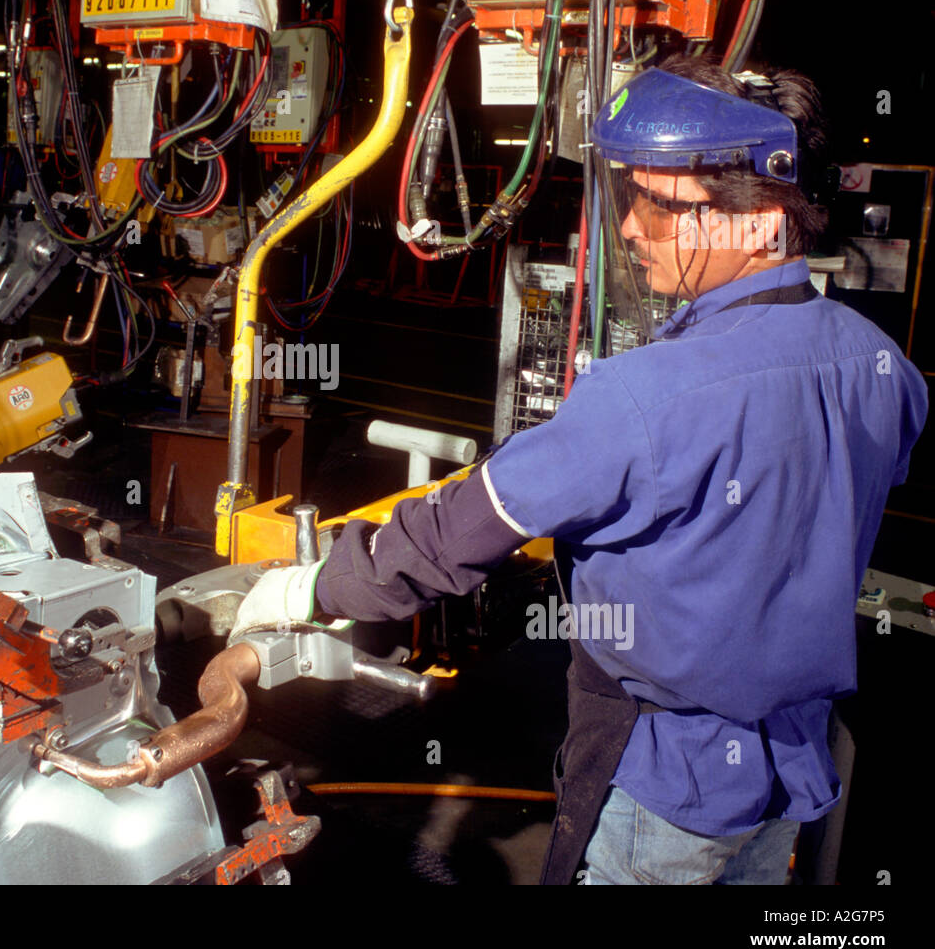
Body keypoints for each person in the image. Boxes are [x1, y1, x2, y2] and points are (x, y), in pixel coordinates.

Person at [230, 56, 928, 885]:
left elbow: (457, 534)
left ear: (758, 217)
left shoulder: (644, 397)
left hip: (669, 790)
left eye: (657, 204)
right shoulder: (884, 369)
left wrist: (310, 589)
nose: (631, 228)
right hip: (790, 775)